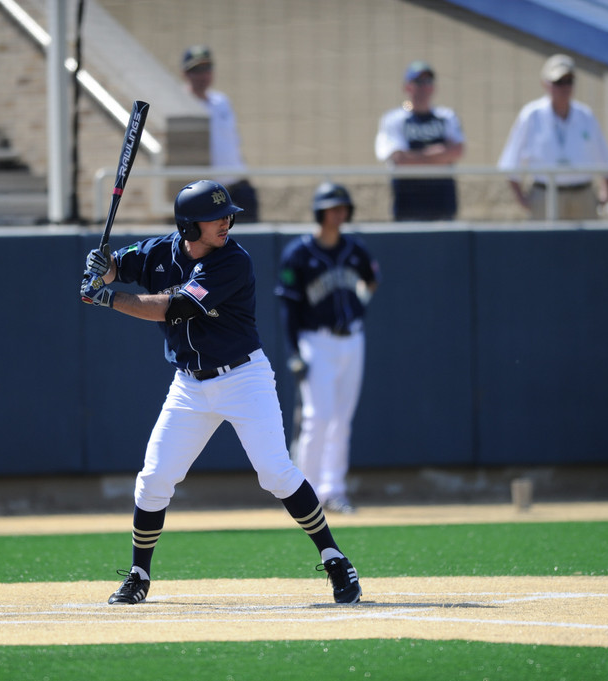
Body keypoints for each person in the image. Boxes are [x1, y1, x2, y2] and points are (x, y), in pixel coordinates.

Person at [79, 179, 362, 605]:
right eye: (215, 218)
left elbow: (174, 307)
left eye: (227, 215)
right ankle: (138, 574)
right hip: (189, 385)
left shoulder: (233, 261)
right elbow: (118, 266)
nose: (226, 222)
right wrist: (103, 266)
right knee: (154, 477)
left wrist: (108, 297)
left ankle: (335, 558)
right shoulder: (160, 251)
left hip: (243, 378)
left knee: (275, 472)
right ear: (189, 227)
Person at [275, 183, 379, 514]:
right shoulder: (299, 253)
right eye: (333, 208)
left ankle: (334, 490)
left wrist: (360, 303)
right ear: (320, 212)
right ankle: (305, 495)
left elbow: (371, 278)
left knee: (342, 419)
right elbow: (288, 308)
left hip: (352, 339)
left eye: (342, 208)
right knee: (317, 418)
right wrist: (293, 352)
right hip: (315, 340)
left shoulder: (355, 248)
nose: (339, 213)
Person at [497, 54, 608, 220]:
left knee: (588, 238)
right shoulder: (531, 115)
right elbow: (510, 162)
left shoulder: (585, 115)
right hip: (545, 195)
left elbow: (606, 160)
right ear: (545, 84)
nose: (564, 87)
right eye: (558, 82)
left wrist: (605, 192)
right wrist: (521, 199)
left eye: (569, 81)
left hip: (583, 195)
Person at [374, 61, 465, 221]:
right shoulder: (394, 119)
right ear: (407, 87)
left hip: (443, 200)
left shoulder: (447, 116)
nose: (424, 87)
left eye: (428, 81)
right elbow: (399, 159)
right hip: (408, 202)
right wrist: (439, 154)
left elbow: (457, 151)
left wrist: (415, 157)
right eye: (418, 81)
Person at [181, 45, 259, 222]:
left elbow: (232, 141)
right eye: (196, 70)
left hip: (237, 186)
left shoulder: (221, 101)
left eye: (207, 69)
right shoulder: (180, 103)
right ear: (185, 73)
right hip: (207, 192)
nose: (203, 75)